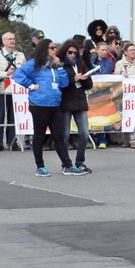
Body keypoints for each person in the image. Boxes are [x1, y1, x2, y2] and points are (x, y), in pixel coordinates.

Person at [13, 39, 86, 177]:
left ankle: (67, 165)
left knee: (59, 136)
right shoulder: (35, 63)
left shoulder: (55, 65)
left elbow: (64, 83)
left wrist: (59, 67)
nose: (54, 50)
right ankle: (40, 166)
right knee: (39, 136)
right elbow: (18, 74)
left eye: (55, 47)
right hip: (39, 104)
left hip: (55, 104)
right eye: (51, 47)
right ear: (44, 49)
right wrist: (31, 85)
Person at [57, 39, 94, 174]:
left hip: (80, 101)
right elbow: (61, 83)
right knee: (65, 135)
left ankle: (80, 162)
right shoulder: (60, 65)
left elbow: (89, 84)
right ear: (64, 52)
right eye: (70, 52)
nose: (73, 55)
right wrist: (74, 79)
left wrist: (84, 79)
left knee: (84, 133)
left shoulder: (80, 63)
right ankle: (66, 163)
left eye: (75, 53)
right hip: (65, 102)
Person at [0, 32, 26, 151]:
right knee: (0, 116)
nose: (12, 41)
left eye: (13, 39)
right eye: (9, 39)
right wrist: (7, 74)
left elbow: (25, 70)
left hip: (17, 90)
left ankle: (12, 141)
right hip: (3, 89)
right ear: (4, 41)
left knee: (13, 117)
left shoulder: (20, 55)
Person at [114, 42, 135, 148]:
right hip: (123, 94)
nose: (133, 52)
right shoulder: (119, 64)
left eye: (134, 50)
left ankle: (133, 139)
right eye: (131, 50)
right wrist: (122, 75)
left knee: (133, 115)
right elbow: (116, 77)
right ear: (125, 52)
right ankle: (124, 139)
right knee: (123, 115)